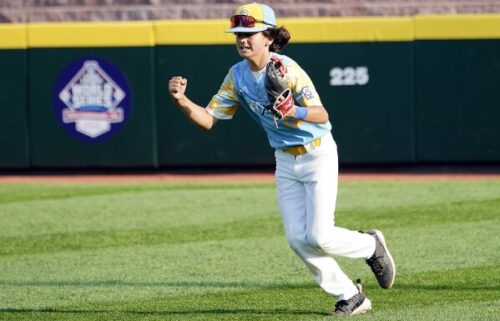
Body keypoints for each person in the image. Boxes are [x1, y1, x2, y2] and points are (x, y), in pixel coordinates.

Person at [168, 2, 396, 316]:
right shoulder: (236, 75)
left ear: (269, 37)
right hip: (285, 161)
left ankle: (370, 245)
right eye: (238, 34)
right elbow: (207, 120)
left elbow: (322, 114)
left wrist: (294, 110)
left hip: (317, 153)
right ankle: (350, 295)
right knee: (297, 240)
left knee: (320, 235)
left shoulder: (285, 68)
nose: (242, 39)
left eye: (250, 32)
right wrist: (181, 100)